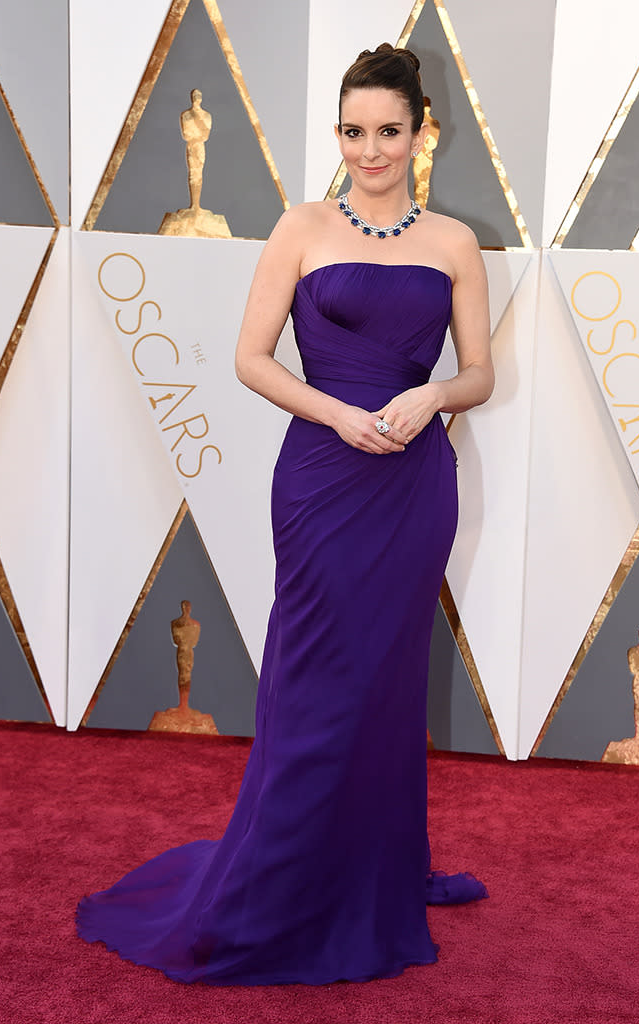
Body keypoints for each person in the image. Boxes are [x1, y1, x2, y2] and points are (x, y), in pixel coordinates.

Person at [76, 43, 493, 986]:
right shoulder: (300, 227)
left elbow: (480, 372)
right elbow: (251, 359)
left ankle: (372, 873)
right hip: (319, 474)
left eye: (389, 131)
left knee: (386, 681)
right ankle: (278, 882)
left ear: (423, 133)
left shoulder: (454, 243)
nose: (370, 150)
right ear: (338, 134)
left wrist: (434, 400)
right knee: (313, 679)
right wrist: (338, 412)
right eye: (353, 132)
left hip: (412, 480)